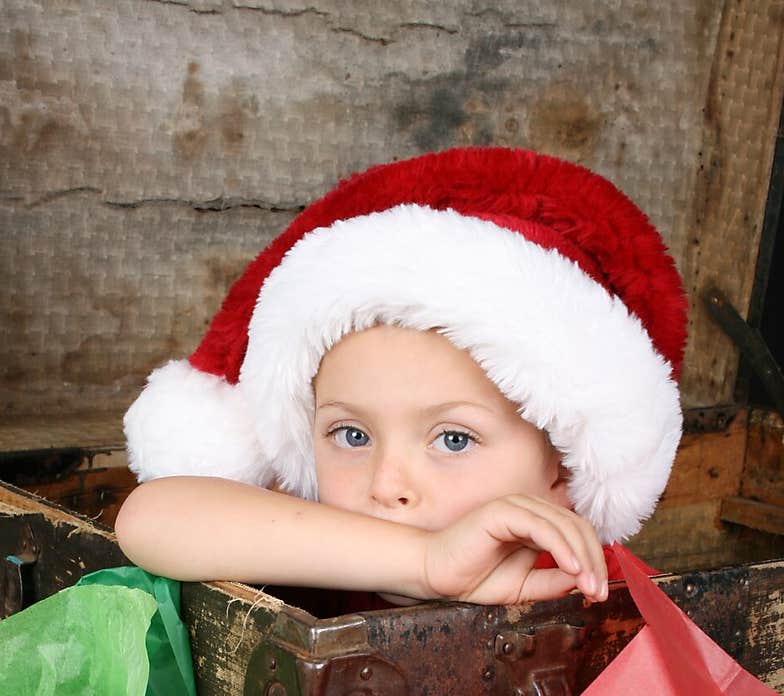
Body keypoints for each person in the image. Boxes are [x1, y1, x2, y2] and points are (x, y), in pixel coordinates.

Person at [115, 146, 687, 607]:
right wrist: (424, 564)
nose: (387, 485)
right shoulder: (302, 548)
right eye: (351, 435)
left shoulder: (600, 596)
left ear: (562, 466)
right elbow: (148, 518)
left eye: (454, 439)